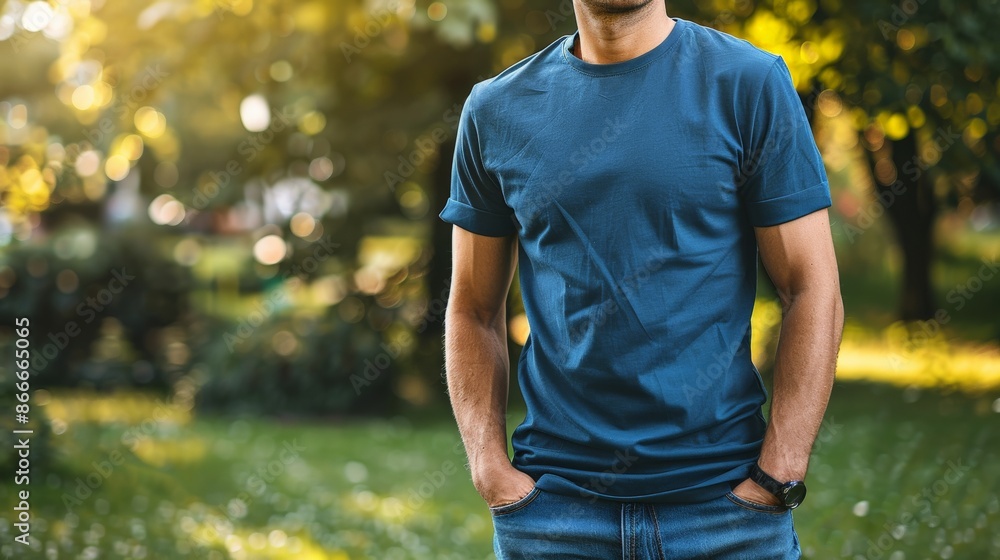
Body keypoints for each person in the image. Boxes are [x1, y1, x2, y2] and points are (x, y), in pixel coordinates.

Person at [438, 0, 844, 557]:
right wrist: (490, 468)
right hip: (553, 519)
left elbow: (811, 286)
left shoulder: (748, 83)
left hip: (727, 515)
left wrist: (780, 472)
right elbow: (473, 309)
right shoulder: (496, 109)